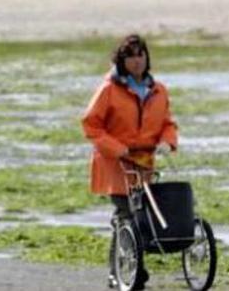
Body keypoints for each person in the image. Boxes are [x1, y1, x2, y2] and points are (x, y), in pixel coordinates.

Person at [82, 34, 179, 291]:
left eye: (141, 54)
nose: (137, 61)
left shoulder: (158, 90)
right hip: (115, 164)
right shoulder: (108, 90)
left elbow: (168, 123)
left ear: (147, 58)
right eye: (130, 56)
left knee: (141, 218)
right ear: (121, 60)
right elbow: (91, 125)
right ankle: (118, 273)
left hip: (144, 163)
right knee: (125, 215)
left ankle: (134, 268)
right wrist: (118, 148)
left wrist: (167, 141)